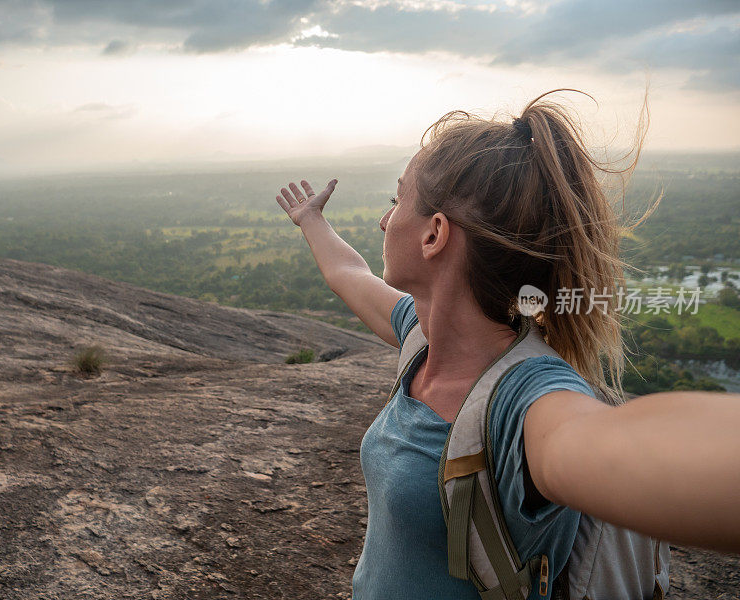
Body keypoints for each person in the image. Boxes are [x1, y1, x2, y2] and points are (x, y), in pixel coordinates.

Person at [274, 89, 740, 599]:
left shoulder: (526, 401)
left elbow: (618, 449)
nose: (385, 221)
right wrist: (311, 220)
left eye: (395, 201)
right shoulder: (419, 337)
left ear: (434, 235)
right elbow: (349, 272)